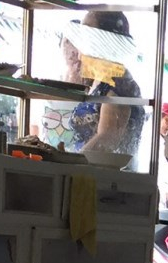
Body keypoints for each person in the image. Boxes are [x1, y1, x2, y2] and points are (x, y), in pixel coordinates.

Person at [61, 11, 146, 160]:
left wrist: (70, 162)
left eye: (88, 33)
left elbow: (107, 138)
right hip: (89, 168)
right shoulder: (99, 80)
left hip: (102, 172)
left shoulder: (118, 84)